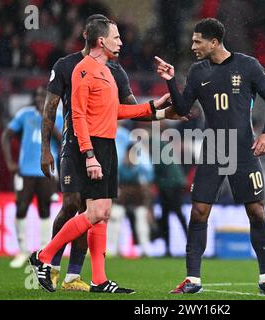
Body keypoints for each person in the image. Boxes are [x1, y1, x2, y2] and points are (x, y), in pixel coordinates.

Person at [39, 14, 184, 291]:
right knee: (74, 205)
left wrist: (159, 110)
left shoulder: (113, 71)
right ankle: (48, 261)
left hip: (104, 145)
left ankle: (79, 277)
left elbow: (121, 110)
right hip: (78, 145)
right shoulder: (71, 66)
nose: (121, 42)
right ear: (99, 38)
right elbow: (57, 109)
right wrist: (47, 148)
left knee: (96, 211)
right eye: (116, 37)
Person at [155, 18, 265, 296]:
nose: (193, 46)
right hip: (214, 147)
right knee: (199, 211)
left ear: (214, 42)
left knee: (256, 210)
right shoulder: (196, 71)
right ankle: (192, 279)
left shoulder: (248, 65)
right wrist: (170, 82)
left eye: (197, 41)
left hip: (244, 149)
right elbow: (182, 108)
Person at [1, 86, 62, 268]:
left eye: (43, 97)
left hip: (47, 172)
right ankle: (22, 250)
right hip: (25, 171)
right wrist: (10, 162)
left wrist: (49, 122)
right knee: (21, 207)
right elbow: (6, 135)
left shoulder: (58, 116)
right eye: (37, 96)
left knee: (45, 209)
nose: (39, 100)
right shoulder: (25, 114)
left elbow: (62, 141)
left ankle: (43, 252)